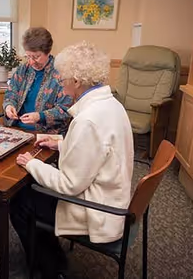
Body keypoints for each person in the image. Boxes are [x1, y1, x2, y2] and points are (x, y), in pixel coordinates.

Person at [10, 41, 134, 279]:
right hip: (113, 195)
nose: (61, 83)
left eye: (63, 78)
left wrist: (31, 163)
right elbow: (97, 150)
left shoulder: (88, 120)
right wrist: (61, 143)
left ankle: (48, 269)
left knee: (20, 202)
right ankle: (53, 257)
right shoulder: (111, 105)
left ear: (77, 81)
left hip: (97, 209)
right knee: (32, 194)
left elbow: (69, 184)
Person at [3, 27, 73, 134]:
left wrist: (39, 116)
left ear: (48, 52)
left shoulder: (61, 73)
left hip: (45, 135)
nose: (31, 62)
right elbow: (11, 92)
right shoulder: (23, 69)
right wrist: (9, 106)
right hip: (16, 128)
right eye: (28, 56)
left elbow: (65, 110)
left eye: (36, 57)